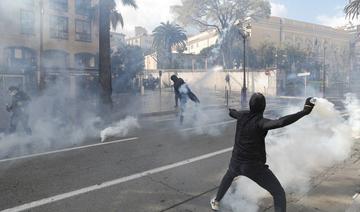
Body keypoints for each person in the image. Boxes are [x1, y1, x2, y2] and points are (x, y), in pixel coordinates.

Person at [210, 93, 315, 211]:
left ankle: (216, 201)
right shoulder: (261, 122)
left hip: (236, 162)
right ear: (264, 107)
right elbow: (281, 122)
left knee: (229, 176)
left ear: (250, 105)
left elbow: (232, 112)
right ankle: (217, 200)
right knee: (278, 193)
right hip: (254, 167)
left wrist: (237, 111)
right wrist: (304, 112)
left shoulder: (241, 116)